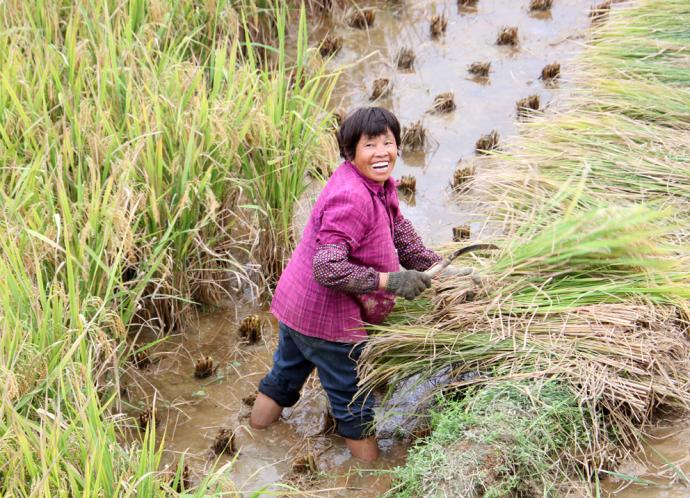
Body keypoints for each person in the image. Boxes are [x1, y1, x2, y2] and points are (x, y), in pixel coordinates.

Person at [250, 107, 447, 462]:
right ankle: (369, 478)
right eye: (370, 144)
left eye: (388, 142)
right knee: (353, 402)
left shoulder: (376, 184)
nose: (382, 151)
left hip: (297, 307)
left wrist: (439, 269)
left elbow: (399, 232)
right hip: (328, 320)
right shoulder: (352, 197)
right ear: (349, 152)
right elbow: (328, 267)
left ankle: (253, 438)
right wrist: (391, 281)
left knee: (285, 374)